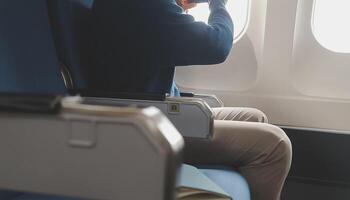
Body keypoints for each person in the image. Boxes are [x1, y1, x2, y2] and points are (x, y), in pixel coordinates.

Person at [91, 0, 292, 199]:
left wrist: (177, 6)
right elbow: (215, 45)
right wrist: (218, 4)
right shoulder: (143, 5)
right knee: (276, 146)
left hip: (163, 110)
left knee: (255, 118)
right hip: (145, 127)